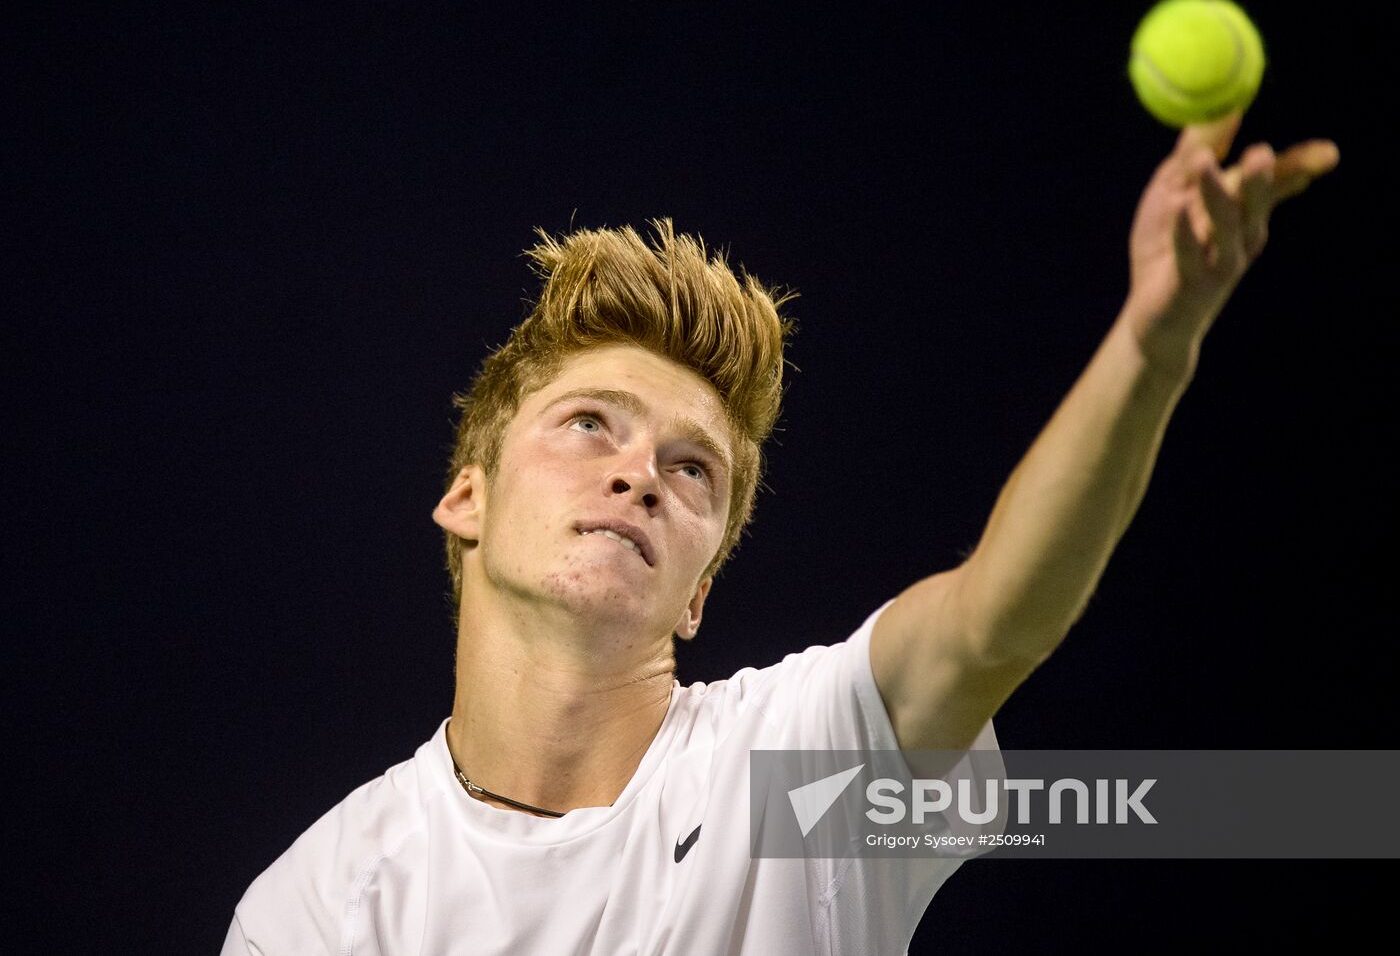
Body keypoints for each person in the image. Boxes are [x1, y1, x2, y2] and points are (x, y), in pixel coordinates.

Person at [221, 112, 1338, 954]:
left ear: (698, 590)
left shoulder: (795, 780)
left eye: (689, 466)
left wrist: (1151, 344)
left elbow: (991, 620)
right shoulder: (323, 900)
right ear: (468, 498)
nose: (638, 473)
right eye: (588, 423)